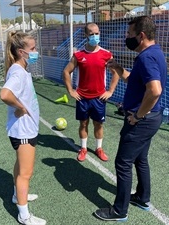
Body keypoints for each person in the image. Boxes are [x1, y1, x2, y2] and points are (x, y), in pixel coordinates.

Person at [94, 16, 167, 221]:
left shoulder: (146, 57)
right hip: (153, 118)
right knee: (140, 159)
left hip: (142, 121)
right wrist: (117, 68)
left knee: (123, 163)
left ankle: (119, 210)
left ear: (141, 35)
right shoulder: (153, 53)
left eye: (129, 34)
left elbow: (154, 90)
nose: (127, 38)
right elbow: (133, 80)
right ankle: (142, 198)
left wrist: (137, 115)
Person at [0, 31, 46, 225]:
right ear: (21, 51)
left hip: (25, 129)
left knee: (20, 169)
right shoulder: (18, 72)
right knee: (26, 173)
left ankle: (17, 195)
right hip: (23, 131)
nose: (36, 52)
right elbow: (5, 94)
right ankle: (24, 216)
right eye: (33, 49)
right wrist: (20, 107)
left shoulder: (20, 68)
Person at [62, 22, 119, 162]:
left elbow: (116, 72)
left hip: (99, 98)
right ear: (86, 35)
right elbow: (66, 71)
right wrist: (71, 90)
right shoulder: (78, 55)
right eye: (91, 34)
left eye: (97, 33)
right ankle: (83, 148)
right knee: (83, 124)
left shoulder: (106, 54)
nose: (95, 36)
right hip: (82, 98)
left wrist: (110, 91)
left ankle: (99, 148)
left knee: (98, 124)